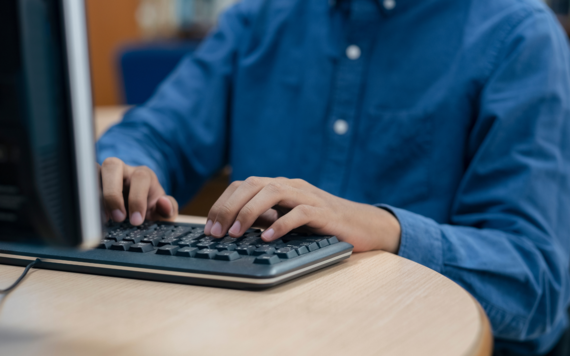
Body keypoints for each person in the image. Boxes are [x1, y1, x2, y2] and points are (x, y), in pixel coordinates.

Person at [97, 0, 570, 354]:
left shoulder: (518, 35)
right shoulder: (260, 16)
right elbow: (154, 133)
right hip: (257, 337)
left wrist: (385, 228)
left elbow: (536, 283)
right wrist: (124, 167)